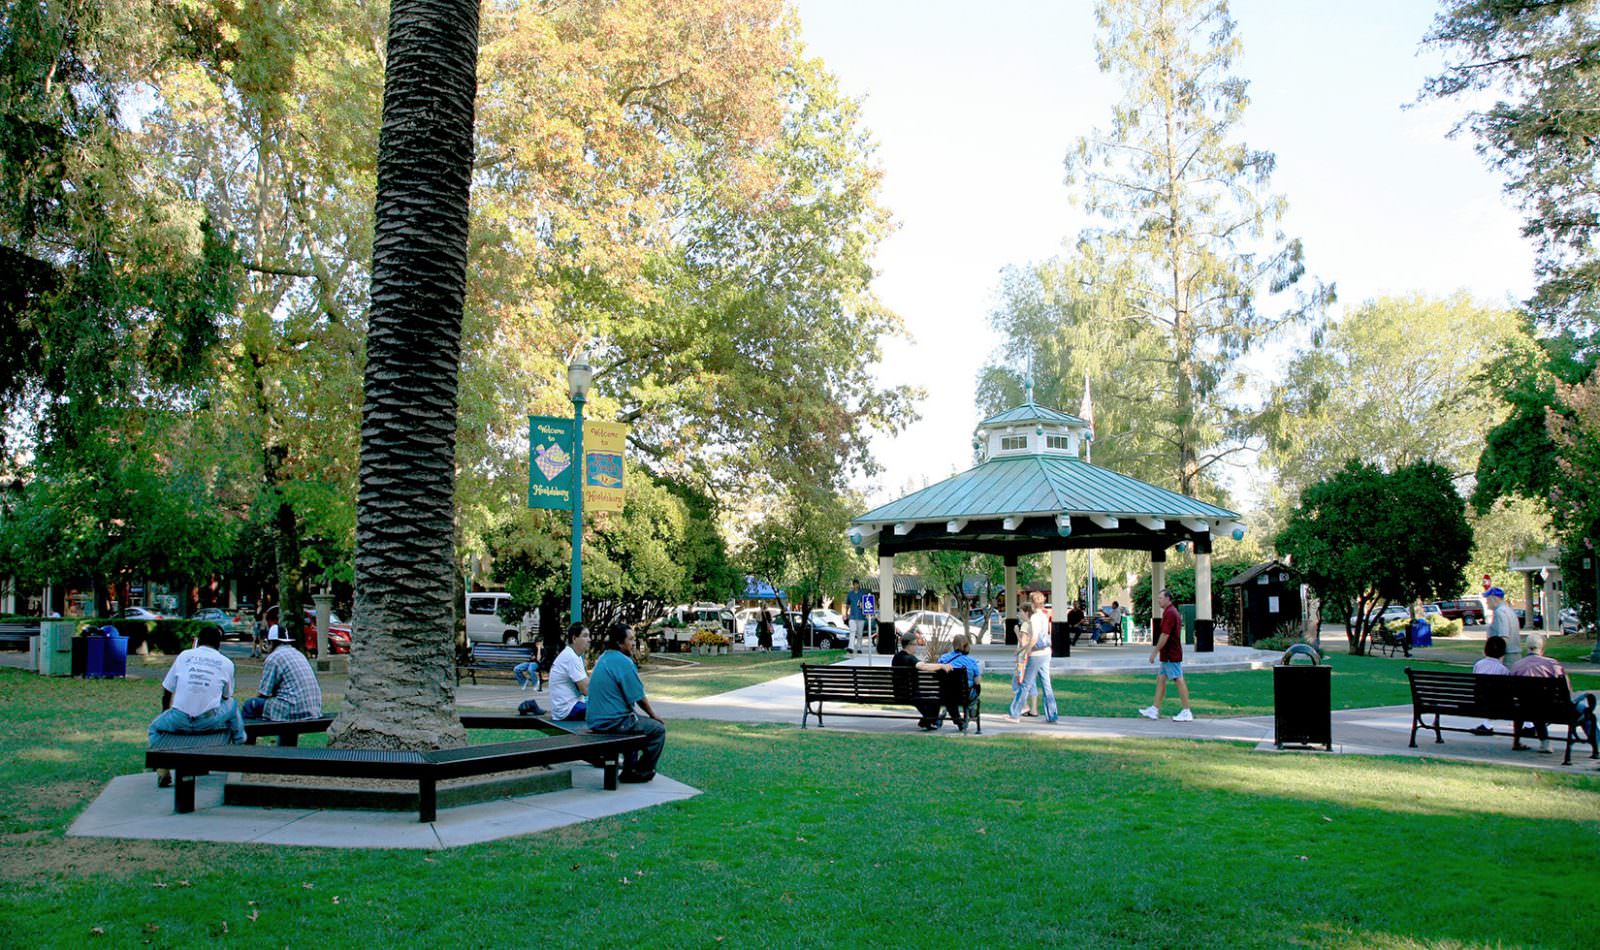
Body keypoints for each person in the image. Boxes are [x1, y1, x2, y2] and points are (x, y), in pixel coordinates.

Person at [148, 626, 246, 787]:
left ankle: (162, 767)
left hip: (179, 717)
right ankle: (240, 743)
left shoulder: (184, 656)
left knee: (154, 728)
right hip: (208, 720)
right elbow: (227, 696)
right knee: (232, 704)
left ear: (198, 641)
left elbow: (167, 690)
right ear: (219, 644)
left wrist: (168, 714)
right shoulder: (226, 663)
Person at [586, 623, 665, 782]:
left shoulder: (604, 658)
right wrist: (653, 715)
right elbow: (639, 697)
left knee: (633, 720)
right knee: (657, 730)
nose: (633, 643)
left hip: (595, 721)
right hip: (612, 722)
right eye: (630, 639)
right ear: (619, 643)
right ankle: (642, 772)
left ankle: (629, 770)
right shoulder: (623, 661)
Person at [1510, 632, 1595, 753]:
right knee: (1586, 711)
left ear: (1527, 647)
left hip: (1524, 708)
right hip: (1555, 710)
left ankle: (1526, 741)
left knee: (1533, 706)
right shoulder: (1552, 665)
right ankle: (1597, 744)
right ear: (1542, 648)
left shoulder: (1516, 666)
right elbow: (1567, 690)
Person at [242, 625, 322, 722]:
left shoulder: (274, 658)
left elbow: (264, 693)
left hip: (293, 710)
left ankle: (246, 736)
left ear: (271, 642)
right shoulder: (298, 653)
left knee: (250, 705)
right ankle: (287, 738)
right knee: (281, 703)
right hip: (313, 709)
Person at [1140, 589, 1193, 722]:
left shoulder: (1170, 613)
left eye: (1161, 598)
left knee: (1178, 679)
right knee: (1161, 679)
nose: (1158, 600)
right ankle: (1154, 709)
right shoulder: (1170, 612)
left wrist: (1154, 652)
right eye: (1158, 598)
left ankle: (1187, 711)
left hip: (1171, 653)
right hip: (1168, 654)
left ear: (1168, 599)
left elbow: (1165, 635)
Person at [1009, 593, 1059, 723]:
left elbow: (1034, 637)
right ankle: (1052, 714)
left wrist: (1027, 651)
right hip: (1046, 653)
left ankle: (1015, 714)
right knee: (1046, 684)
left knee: (1026, 684)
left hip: (1036, 654)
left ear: (1032, 603)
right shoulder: (1044, 616)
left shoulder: (1035, 618)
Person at [892, 629, 954, 730]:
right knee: (935, 696)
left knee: (929, 696)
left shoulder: (896, 657)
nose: (916, 646)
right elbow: (923, 666)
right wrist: (941, 666)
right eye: (915, 644)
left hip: (899, 693)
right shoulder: (909, 658)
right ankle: (930, 720)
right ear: (910, 645)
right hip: (910, 694)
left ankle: (929, 720)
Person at [937, 633, 982, 733]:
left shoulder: (943, 659)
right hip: (964, 695)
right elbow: (977, 682)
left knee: (950, 696)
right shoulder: (971, 661)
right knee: (975, 690)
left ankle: (956, 719)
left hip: (945, 695)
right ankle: (969, 712)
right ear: (966, 646)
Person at [548, 623, 591, 722]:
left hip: (569, 706)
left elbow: (586, 684)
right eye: (585, 636)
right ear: (574, 639)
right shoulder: (571, 657)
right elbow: (586, 690)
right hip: (568, 709)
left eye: (589, 636)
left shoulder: (576, 656)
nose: (589, 639)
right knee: (607, 709)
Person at [1469, 635, 1509, 736]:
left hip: (1478, 701)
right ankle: (1529, 726)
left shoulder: (1478, 664)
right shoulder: (1503, 670)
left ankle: (1487, 725)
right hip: (1496, 704)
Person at [1484, 587, 1521, 659]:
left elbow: (1503, 637)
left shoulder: (1499, 612)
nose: (1486, 602)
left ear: (1494, 599)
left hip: (1506, 656)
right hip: (1513, 654)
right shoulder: (1508, 610)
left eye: (1487, 599)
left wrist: (1499, 659)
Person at [846, 579, 868, 654]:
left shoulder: (862, 594)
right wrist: (846, 614)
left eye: (857, 584)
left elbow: (866, 604)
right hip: (852, 616)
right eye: (854, 584)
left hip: (861, 616)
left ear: (859, 585)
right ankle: (850, 647)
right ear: (853, 585)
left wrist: (863, 607)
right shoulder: (850, 594)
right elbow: (847, 604)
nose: (856, 585)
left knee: (860, 633)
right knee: (852, 631)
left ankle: (859, 648)